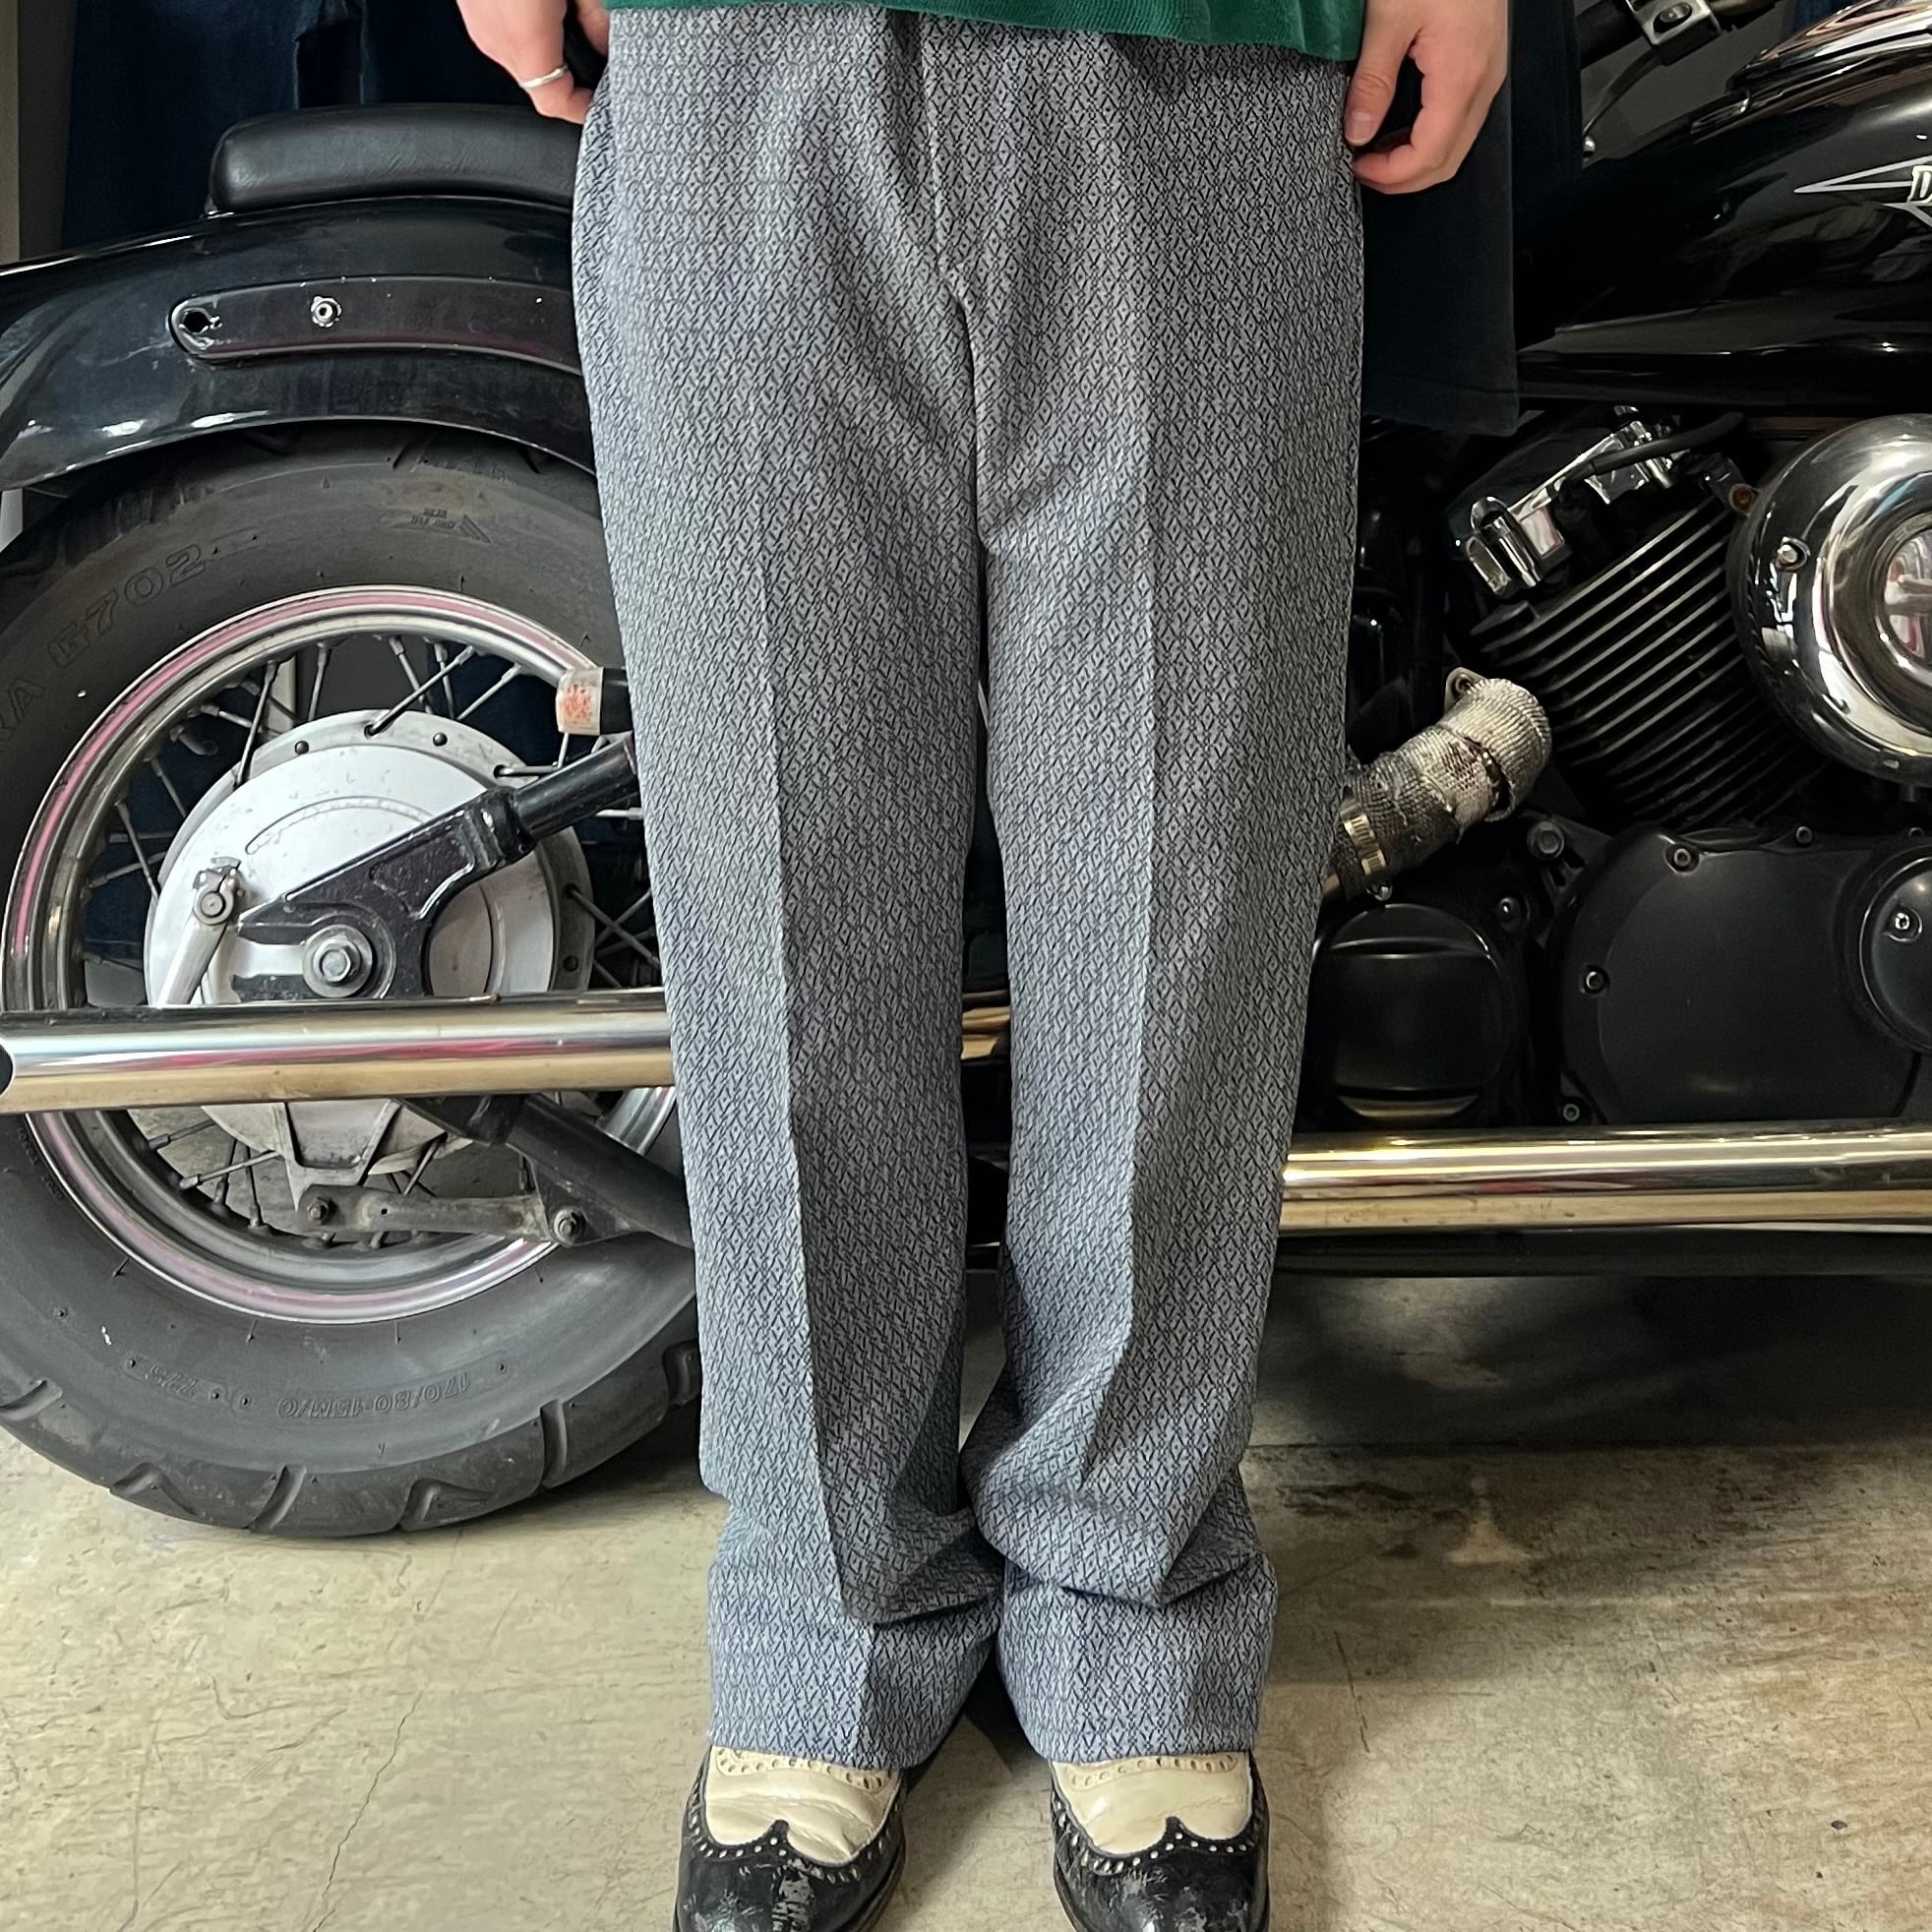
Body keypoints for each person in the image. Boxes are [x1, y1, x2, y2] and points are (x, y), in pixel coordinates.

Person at [458, 1, 1503, 1927]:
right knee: (778, 898)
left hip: (1201, 61)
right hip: (740, 58)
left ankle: (1129, 1602)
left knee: (1179, 892)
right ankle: (825, 1612)